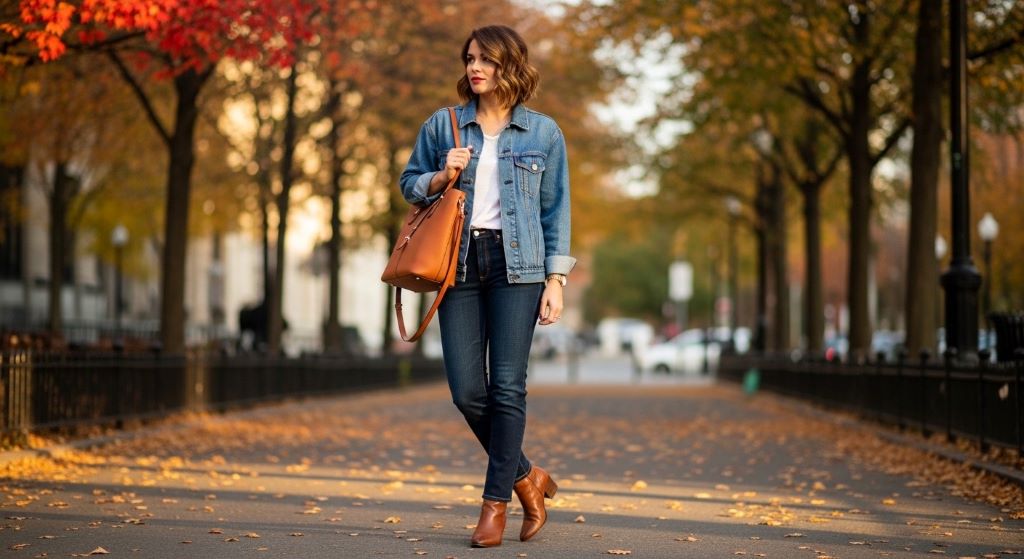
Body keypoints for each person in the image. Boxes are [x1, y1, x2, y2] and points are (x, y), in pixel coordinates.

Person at [399, 25, 574, 548]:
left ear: (510, 66)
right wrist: (438, 176)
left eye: (487, 60)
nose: (475, 67)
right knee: (467, 391)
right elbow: (409, 181)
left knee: (507, 386)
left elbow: (555, 209)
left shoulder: (544, 134)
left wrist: (556, 279)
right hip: (459, 264)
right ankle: (527, 477)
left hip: (519, 268)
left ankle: (493, 505)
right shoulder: (444, 126)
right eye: (471, 58)